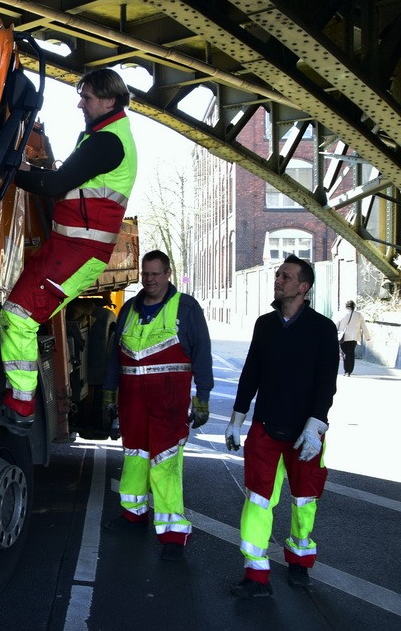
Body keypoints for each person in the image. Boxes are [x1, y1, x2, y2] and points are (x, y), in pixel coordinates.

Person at [0, 68, 137, 433]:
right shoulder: (103, 137)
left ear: (109, 100)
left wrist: (10, 169)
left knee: (19, 318)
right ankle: (20, 402)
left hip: (79, 251)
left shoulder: (107, 142)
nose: (80, 103)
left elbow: (56, 183)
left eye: (86, 97)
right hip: (68, 247)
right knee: (18, 314)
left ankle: (20, 407)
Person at [225, 254, 338, 598]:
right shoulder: (265, 325)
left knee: (305, 498)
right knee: (258, 499)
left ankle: (300, 561)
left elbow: (326, 382)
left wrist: (315, 425)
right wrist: (237, 418)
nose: (279, 280)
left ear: (304, 287)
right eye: (278, 275)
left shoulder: (322, 329)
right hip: (266, 426)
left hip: (306, 430)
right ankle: (255, 575)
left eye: (286, 277)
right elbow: (251, 373)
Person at [101, 250, 213, 562]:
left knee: (165, 465)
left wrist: (202, 398)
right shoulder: (129, 310)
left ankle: (173, 535)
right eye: (146, 274)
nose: (150, 280)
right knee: (135, 457)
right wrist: (109, 394)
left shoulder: (186, 308)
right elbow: (114, 357)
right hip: (133, 403)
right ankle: (132, 516)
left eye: (156, 274)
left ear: (168, 274)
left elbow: (202, 354)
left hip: (169, 404)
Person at [335, 299, 371, 376]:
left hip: (343, 337)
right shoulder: (358, 315)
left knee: (345, 353)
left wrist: (333, 335)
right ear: (353, 306)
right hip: (354, 337)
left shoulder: (341, 314)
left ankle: (346, 370)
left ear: (346, 306)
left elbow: (336, 325)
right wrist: (367, 336)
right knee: (351, 353)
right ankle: (350, 370)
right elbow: (363, 326)